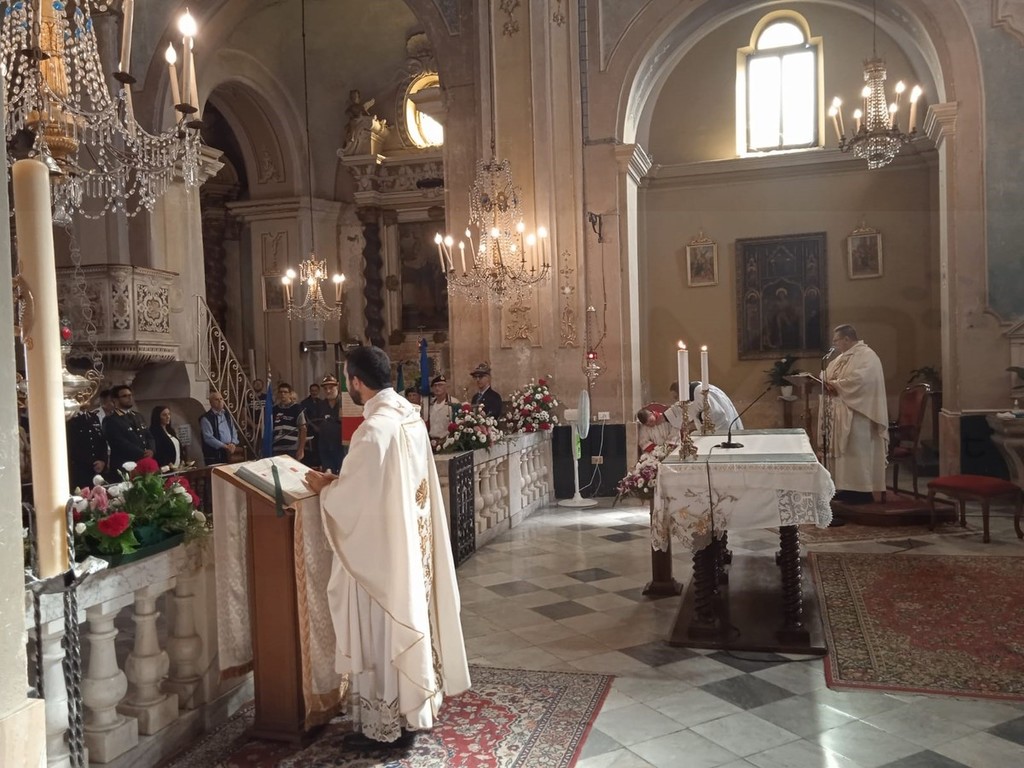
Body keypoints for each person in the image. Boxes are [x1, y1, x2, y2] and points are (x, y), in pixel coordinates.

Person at [303, 345, 470, 744]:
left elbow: (354, 499)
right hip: (410, 544)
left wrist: (326, 490)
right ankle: (410, 712)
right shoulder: (409, 417)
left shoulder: (374, 429)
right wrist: (341, 483)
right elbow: (382, 483)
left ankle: (386, 725)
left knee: (382, 632)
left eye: (347, 377)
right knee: (405, 621)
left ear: (356, 381)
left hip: (382, 555)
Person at [823, 324, 888, 503]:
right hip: (841, 412)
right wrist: (824, 380)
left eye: (836, 340)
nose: (835, 344)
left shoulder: (867, 356)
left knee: (857, 452)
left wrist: (835, 385)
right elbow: (827, 375)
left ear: (847, 339)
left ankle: (862, 491)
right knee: (845, 455)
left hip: (859, 414)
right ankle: (846, 488)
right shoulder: (841, 358)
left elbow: (861, 380)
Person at [103, 384, 154, 472]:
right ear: (115, 400)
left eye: (130, 395)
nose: (129, 398)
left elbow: (149, 436)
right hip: (125, 465)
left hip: (144, 462)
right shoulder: (111, 420)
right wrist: (142, 453)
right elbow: (120, 442)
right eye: (125, 396)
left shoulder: (138, 416)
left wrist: (151, 450)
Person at [673, 381, 744, 434]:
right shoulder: (694, 391)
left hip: (722, 430)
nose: (676, 400)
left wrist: (699, 421)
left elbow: (716, 413)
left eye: (676, 397)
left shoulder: (699, 392)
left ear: (681, 392)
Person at [67, 399, 108, 489]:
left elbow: (101, 441)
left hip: (97, 468)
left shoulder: (93, 417)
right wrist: (90, 462)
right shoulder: (70, 418)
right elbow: (71, 446)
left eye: (88, 397)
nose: (87, 399)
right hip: (80, 469)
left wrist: (103, 461)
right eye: (82, 397)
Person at [312, 374, 345, 473]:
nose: (328, 391)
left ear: (337, 386)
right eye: (325, 389)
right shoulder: (320, 405)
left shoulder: (344, 403)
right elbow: (316, 424)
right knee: (328, 475)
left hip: (341, 447)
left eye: (331, 388)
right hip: (325, 446)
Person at [200, 390, 241, 466]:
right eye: (216, 399)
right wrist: (225, 446)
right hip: (216, 455)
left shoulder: (227, 415)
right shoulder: (206, 418)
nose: (220, 401)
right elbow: (208, 438)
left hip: (230, 451)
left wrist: (233, 443)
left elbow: (234, 431)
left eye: (221, 399)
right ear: (211, 403)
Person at [272, 381, 307, 461]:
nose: (283, 394)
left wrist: (301, 449)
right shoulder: (274, 409)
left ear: (290, 394)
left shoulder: (297, 408)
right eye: (280, 392)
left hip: (292, 448)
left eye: (285, 392)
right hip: (277, 447)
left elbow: (303, 429)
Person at [427, 375, 459, 440]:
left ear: (445, 387)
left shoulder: (454, 403)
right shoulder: (430, 405)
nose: (437, 388)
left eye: (440, 385)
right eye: (435, 386)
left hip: (447, 441)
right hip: (432, 440)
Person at [149, 405, 182, 469]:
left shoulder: (171, 431)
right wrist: (167, 463)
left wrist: (182, 460)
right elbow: (158, 451)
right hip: (166, 467)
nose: (168, 417)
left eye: (169, 414)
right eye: (164, 415)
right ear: (158, 417)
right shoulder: (154, 432)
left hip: (177, 466)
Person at [301, 383, 322, 467]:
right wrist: (313, 426)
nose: (314, 392)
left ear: (318, 391)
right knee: (309, 452)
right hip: (309, 431)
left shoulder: (322, 402)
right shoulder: (304, 403)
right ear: (310, 391)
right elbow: (304, 417)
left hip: (320, 431)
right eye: (312, 391)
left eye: (316, 391)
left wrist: (320, 427)